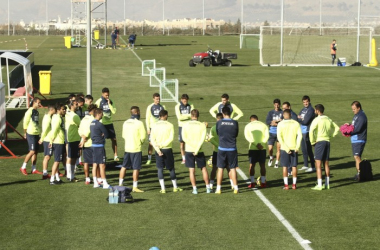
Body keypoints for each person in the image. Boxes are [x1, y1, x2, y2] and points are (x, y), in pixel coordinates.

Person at [151, 110, 182, 193]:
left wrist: (158, 149)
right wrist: (162, 145)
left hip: (158, 150)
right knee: (171, 168)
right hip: (167, 149)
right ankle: (175, 187)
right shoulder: (170, 125)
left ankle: (163, 189)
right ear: (165, 116)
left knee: (160, 169)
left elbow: (152, 139)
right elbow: (171, 138)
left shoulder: (154, 125)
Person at [309, 104, 340, 190]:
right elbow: (337, 128)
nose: (314, 111)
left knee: (318, 164)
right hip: (327, 142)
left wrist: (312, 141)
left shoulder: (317, 119)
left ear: (318, 111)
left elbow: (311, 131)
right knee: (326, 164)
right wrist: (330, 136)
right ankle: (327, 184)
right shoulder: (328, 119)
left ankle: (319, 184)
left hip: (320, 142)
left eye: (315, 110)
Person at [182, 109, 211, 194]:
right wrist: (197, 148)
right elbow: (202, 139)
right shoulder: (202, 125)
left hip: (189, 150)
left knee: (191, 170)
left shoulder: (185, 124)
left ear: (191, 116)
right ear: (198, 116)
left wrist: (193, 146)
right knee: (203, 169)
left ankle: (195, 189)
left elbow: (184, 138)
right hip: (199, 150)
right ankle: (208, 188)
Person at [119, 106, 146, 193]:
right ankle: (135, 187)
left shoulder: (125, 122)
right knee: (136, 168)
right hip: (136, 148)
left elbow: (123, 135)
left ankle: (120, 184)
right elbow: (143, 137)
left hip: (127, 148)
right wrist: (139, 142)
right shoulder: (139, 123)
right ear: (137, 112)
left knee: (124, 166)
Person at [215, 106, 239, 194]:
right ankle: (236, 188)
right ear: (230, 113)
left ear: (222, 113)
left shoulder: (219, 123)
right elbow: (236, 134)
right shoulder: (235, 123)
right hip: (232, 148)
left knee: (220, 168)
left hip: (222, 147)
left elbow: (218, 133)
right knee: (232, 168)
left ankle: (218, 189)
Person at [277, 109, 302, 190]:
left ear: (284, 115)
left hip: (285, 148)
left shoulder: (280, 124)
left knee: (285, 166)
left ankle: (286, 185)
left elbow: (279, 137)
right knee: (294, 166)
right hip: (294, 147)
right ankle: (294, 185)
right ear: (290, 115)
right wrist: (297, 146)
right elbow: (300, 136)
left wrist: (286, 147)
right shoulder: (296, 123)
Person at [244, 115, 269, 188]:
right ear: (257, 119)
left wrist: (256, 144)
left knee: (252, 165)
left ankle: (252, 182)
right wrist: (261, 144)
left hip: (253, 148)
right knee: (262, 165)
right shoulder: (263, 125)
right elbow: (266, 136)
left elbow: (247, 136)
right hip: (262, 148)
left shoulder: (248, 125)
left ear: (250, 119)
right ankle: (263, 182)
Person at [345, 101, 368, 181]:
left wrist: (348, 132)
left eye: (354, 109)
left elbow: (358, 129)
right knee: (356, 157)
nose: (353, 110)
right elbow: (354, 126)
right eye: (352, 109)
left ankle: (362, 174)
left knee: (357, 157)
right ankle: (359, 174)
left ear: (359, 108)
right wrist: (349, 126)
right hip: (355, 139)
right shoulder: (357, 115)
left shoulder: (362, 116)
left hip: (359, 139)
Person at [20, 97, 42, 175]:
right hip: (31, 133)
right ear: (34, 102)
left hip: (36, 133)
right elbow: (25, 122)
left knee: (35, 152)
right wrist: (25, 132)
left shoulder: (36, 112)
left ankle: (34, 169)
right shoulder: (30, 111)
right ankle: (23, 167)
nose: (40, 104)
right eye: (38, 103)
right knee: (32, 151)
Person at [95, 88, 118, 161]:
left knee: (114, 139)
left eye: (108, 95)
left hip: (110, 123)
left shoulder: (111, 101)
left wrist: (109, 104)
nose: (107, 97)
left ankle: (115, 156)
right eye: (106, 95)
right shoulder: (98, 102)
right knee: (102, 140)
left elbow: (114, 112)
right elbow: (95, 112)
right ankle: (102, 156)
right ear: (102, 94)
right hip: (102, 124)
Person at [90, 108, 109, 189]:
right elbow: (107, 134)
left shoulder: (91, 123)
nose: (102, 115)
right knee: (102, 165)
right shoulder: (99, 124)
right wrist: (103, 135)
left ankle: (95, 183)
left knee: (94, 165)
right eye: (101, 114)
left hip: (93, 146)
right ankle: (104, 183)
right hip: (99, 147)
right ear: (98, 114)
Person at [78, 104, 97, 185]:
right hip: (92, 143)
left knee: (86, 162)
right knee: (95, 162)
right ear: (93, 111)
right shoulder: (93, 119)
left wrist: (82, 137)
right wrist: (84, 138)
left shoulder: (83, 119)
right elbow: (89, 130)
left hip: (85, 143)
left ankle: (87, 179)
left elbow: (79, 129)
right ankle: (97, 178)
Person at [145, 93, 166, 165]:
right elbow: (147, 118)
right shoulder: (150, 107)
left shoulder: (163, 106)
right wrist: (148, 128)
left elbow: (165, 117)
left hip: (161, 128)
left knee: (161, 143)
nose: (158, 100)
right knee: (151, 143)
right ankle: (149, 158)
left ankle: (161, 157)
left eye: (159, 99)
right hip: (152, 128)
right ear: (153, 99)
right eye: (156, 99)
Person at [49, 103, 66, 185]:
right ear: (58, 110)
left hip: (60, 141)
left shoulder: (58, 117)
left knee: (58, 160)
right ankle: (52, 179)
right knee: (57, 161)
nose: (64, 111)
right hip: (58, 141)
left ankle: (57, 178)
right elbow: (54, 130)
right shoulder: (57, 119)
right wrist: (51, 141)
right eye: (63, 109)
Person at [174, 94, 194, 164]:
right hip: (181, 126)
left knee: (190, 142)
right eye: (184, 101)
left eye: (186, 101)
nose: (185, 102)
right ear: (181, 100)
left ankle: (192, 157)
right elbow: (179, 117)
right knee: (182, 143)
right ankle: (184, 158)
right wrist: (189, 116)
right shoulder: (177, 106)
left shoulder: (190, 105)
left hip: (190, 126)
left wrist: (185, 116)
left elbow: (193, 115)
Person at [298, 95, 316, 172]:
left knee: (309, 149)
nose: (305, 103)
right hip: (302, 131)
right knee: (303, 149)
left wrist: (301, 119)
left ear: (309, 101)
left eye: (306, 102)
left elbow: (305, 122)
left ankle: (313, 166)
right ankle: (305, 165)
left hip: (307, 131)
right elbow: (298, 118)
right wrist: (301, 119)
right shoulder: (303, 110)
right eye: (304, 102)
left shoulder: (311, 110)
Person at [38, 104, 57, 179]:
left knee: (48, 156)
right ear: (52, 110)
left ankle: (46, 173)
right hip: (47, 139)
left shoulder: (47, 117)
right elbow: (45, 130)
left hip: (48, 139)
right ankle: (45, 173)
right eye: (55, 110)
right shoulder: (48, 118)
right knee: (47, 157)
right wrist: (41, 139)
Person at [65, 99, 81, 182]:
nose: (77, 105)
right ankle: (70, 176)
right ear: (71, 106)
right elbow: (80, 125)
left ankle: (70, 175)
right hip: (73, 138)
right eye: (75, 104)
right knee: (72, 157)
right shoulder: (75, 116)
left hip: (71, 138)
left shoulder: (67, 114)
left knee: (71, 157)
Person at [206, 113, 223, 190]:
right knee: (229, 168)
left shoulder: (213, 128)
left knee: (214, 168)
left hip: (216, 151)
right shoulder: (225, 127)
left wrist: (218, 145)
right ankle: (233, 185)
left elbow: (211, 139)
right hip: (225, 150)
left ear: (216, 119)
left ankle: (211, 184)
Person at [282, 101, 298, 175]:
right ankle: (289, 170)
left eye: (285, 108)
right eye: (283, 108)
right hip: (286, 140)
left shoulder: (293, 116)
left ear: (289, 107)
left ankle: (289, 171)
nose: (283, 110)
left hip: (291, 140)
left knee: (290, 160)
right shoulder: (285, 116)